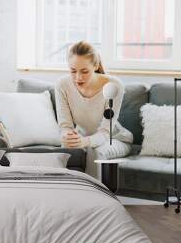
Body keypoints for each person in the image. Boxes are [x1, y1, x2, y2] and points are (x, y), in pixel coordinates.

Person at [55, 41, 133, 179]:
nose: (78, 77)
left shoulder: (114, 86)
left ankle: (92, 196)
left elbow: (105, 132)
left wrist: (84, 142)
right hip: (82, 137)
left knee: (95, 151)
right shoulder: (62, 85)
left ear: (96, 66)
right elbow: (65, 126)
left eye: (84, 71)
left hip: (114, 139)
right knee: (65, 148)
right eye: (73, 71)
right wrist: (68, 136)